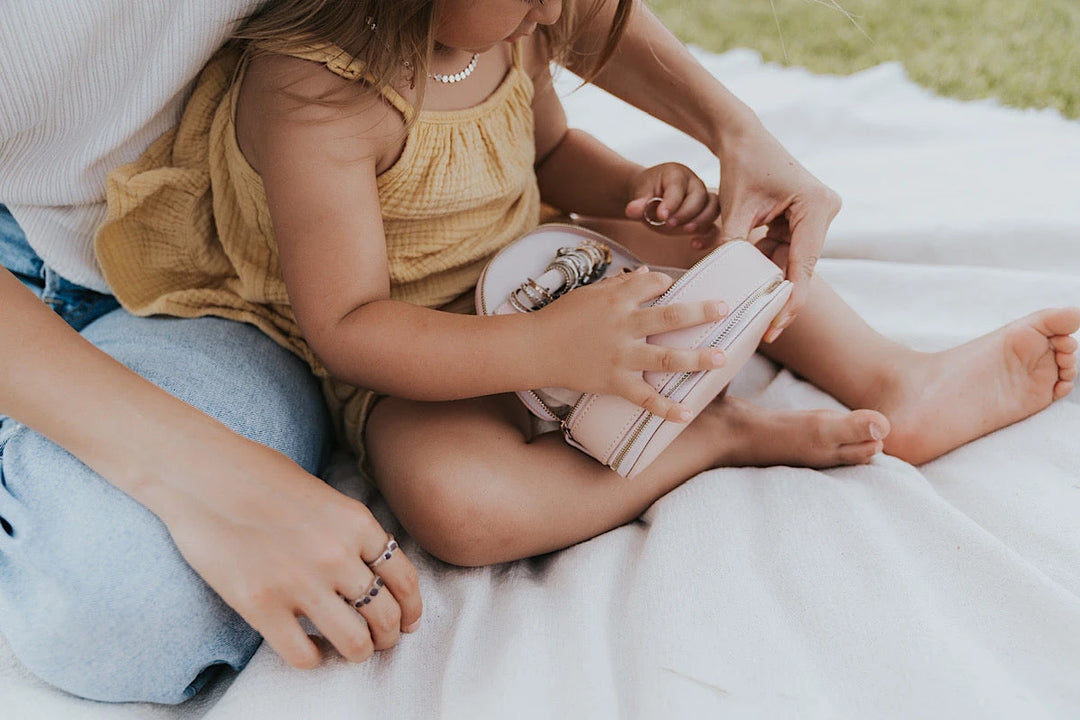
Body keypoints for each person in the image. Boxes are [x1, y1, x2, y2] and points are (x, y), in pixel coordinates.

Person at [0, 0, 1073, 709]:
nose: (560, 5)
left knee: (716, 245)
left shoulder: (510, 24)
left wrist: (645, 193)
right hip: (416, 343)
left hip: (532, 266)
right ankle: (718, 439)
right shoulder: (316, 96)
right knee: (457, 506)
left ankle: (894, 378)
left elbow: (548, 152)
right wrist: (543, 343)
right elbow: (350, 329)